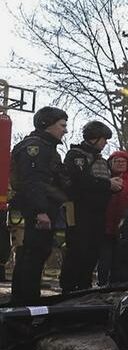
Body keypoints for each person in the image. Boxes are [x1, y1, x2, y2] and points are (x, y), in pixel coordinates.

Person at [9, 106, 70, 305]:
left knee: (35, 254)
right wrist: (40, 211)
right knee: (32, 255)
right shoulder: (35, 147)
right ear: (47, 125)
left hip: (42, 208)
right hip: (35, 210)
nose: (65, 130)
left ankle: (25, 303)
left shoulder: (46, 147)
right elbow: (33, 181)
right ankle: (26, 304)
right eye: (62, 125)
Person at [59, 120, 120, 293]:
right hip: (79, 211)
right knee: (77, 249)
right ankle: (69, 288)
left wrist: (113, 186)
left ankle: (84, 287)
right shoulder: (76, 156)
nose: (105, 143)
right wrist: (108, 185)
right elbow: (81, 182)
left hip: (97, 213)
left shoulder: (101, 160)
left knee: (92, 251)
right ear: (94, 138)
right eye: (103, 139)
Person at [97, 150, 128, 285]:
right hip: (105, 227)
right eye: (116, 161)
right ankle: (102, 284)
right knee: (104, 259)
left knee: (121, 259)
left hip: (126, 229)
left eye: (123, 161)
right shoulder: (104, 180)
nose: (120, 163)